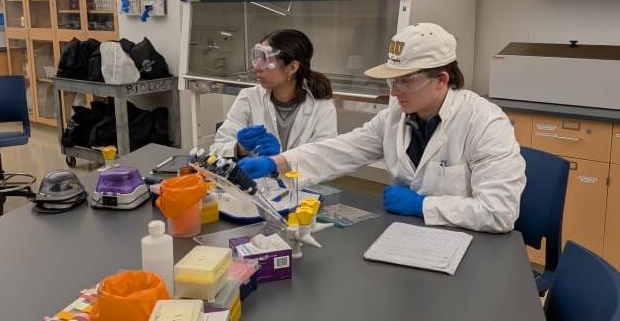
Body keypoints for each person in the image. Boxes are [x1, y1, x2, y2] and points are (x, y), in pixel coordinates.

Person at [240, 23, 526, 234]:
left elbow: (499, 212)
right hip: (410, 236)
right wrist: (276, 163)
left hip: (468, 246)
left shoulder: (485, 123)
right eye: (392, 80)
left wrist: (423, 205)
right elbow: (342, 150)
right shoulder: (395, 117)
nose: (396, 91)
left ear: (441, 79)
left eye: (406, 80)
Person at [210, 29, 337, 160]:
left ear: (292, 67)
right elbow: (217, 148)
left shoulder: (322, 107)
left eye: (266, 59)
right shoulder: (249, 97)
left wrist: (283, 162)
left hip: (301, 180)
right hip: (254, 180)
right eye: (258, 57)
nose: (257, 67)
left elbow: (325, 159)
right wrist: (240, 148)